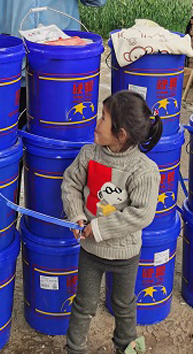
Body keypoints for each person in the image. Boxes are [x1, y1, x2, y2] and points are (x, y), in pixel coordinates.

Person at [61, 91, 163, 354]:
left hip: (125, 254)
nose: (97, 121)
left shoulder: (144, 170)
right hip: (90, 252)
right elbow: (71, 184)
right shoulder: (89, 155)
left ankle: (126, 349)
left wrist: (98, 227)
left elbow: (141, 213)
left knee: (124, 304)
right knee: (83, 303)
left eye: (103, 118)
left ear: (121, 134)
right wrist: (77, 216)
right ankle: (74, 349)